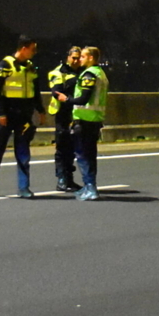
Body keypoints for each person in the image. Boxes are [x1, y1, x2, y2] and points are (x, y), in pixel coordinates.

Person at [0, 35, 45, 198]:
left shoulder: (31, 67)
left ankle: (24, 188)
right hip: (8, 114)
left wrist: (41, 110)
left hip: (24, 116)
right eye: (32, 49)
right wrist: (1, 113)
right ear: (24, 48)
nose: (34, 52)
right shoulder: (5, 65)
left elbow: (35, 91)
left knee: (23, 152)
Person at [67, 46, 109, 201]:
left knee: (83, 155)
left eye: (83, 56)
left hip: (85, 120)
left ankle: (90, 188)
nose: (80, 59)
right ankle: (89, 186)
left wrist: (67, 99)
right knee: (90, 155)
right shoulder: (101, 73)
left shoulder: (89, 74)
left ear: (91, 58)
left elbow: (84, 98)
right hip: (95, 119)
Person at [48, 46, 82, 192]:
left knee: (72, 148)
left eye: (78, 58)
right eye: (73, 57)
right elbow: (56, 91)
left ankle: (69, 179)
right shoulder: (58, 72)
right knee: (62, 147)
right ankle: (61, 179)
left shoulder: (83, 72)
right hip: (63, 113)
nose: (75, 61)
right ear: (68, 57)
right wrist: (67, 98)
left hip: (77, 113)